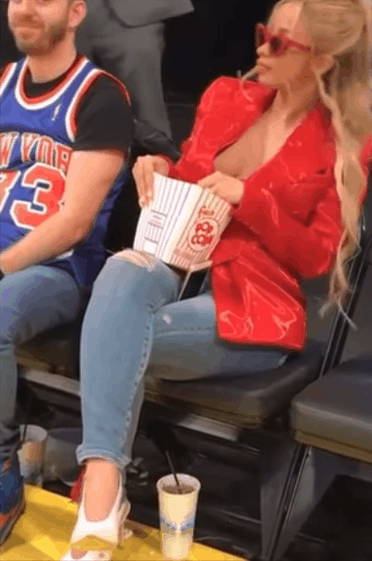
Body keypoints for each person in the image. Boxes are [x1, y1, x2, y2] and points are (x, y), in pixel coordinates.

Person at [64, 1, 372, 559]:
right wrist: (161, 169)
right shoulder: (227, 97)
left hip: (254, 308)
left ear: (323, 61)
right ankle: (103, 492)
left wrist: (250, 199)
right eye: (263, 32)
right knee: (120, 271)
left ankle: (96, 503)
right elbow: (190, 179)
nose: (261, 48)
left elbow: (316, 255)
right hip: (178, 268)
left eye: (279, 42)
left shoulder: (344, 141)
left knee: (113, 332)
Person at [0, 0, 133, 546]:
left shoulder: (99, 96)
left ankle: (3, 476)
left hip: (57, 271)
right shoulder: (3, 84)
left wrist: (0, 265)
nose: (25, 8)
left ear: (76, 12)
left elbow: (74, 222)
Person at [76, 0, 194, 159]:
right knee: (60, 104)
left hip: (132, 11)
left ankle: (158, 165)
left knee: (148, 117)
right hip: (54, 10)